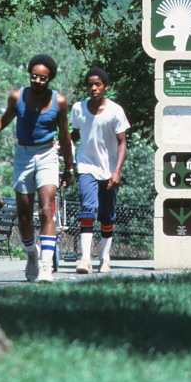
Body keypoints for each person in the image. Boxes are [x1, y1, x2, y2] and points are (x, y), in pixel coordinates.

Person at [0, 54, 74, 283]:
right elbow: (2, 121)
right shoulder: (17, 97)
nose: (38, 81)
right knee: (23, 214)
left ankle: (45, 266)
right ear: (29, 75)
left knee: (46, 209)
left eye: (43, 78)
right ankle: (32, 255)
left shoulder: (59, 101)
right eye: (34, 77)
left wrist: (68, 167)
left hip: (47, 154)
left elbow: (65, 134)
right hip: (23, 154)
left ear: (49, 79)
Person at [70, 67, 128, 274]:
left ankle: (104, 258)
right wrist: (61, 142)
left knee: (107, 214)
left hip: (109, 169)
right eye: (90, 84)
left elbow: (122, 143)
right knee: (87, 208)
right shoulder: (78, 108)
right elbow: (76, 134)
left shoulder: (115, 111)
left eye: (98, 84)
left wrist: (117, 171)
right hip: (86, 165)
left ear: (105, 86)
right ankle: (85, 259)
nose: (93, 88)